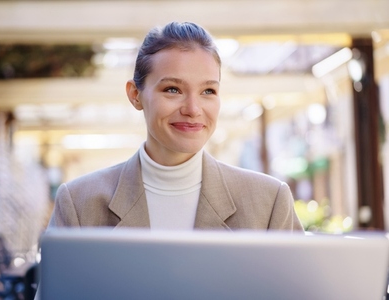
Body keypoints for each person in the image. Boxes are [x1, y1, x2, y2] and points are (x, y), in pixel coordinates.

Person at [47, 21, 303, 232]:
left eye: (208, 91)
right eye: (173, 89)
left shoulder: (269, 202)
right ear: (135, 94)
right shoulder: (79, 204)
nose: (193, 109)